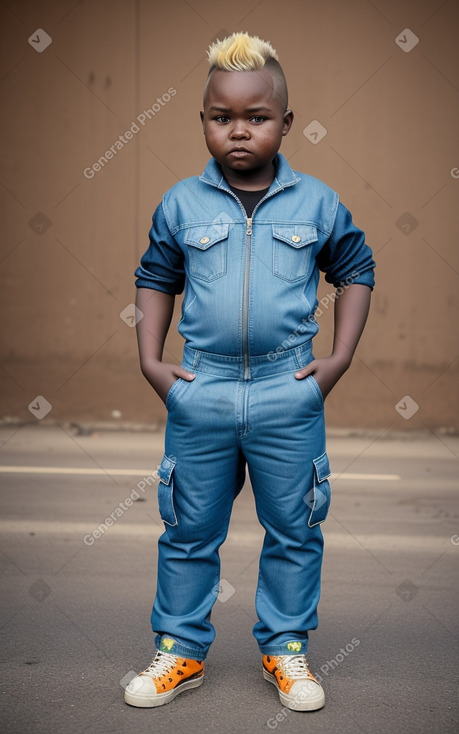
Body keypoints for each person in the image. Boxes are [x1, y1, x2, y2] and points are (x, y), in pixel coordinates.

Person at [124, 31, 375, 712]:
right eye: (221, 117)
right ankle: (179, 652)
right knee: (187, 529)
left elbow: (354, 270)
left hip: (286, 391)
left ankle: (284, 650)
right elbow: (155, 276)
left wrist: (338, 359)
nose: (238, 131)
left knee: (294, 528)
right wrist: (152, 363)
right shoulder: (181, 203)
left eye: (256, 118)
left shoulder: (316, 203)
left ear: (284, 123)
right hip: (199, 391)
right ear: (203, 120)